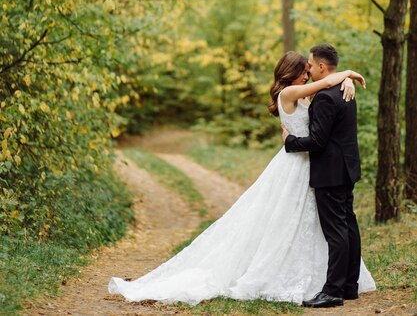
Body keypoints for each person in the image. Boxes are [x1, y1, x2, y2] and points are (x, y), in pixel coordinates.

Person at [108, 50, 376, 306]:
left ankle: (334, 283)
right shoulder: (290, 92)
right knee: (295, 222)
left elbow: (327, 85)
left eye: (309, 70)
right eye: (303, 71)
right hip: (298, 163)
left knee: (317, 224)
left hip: (311, 165)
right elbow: (328, 81)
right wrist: (347, 74)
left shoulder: (309, 93)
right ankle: (321, 282)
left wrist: (347, 78)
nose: (307, 75)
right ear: (292, 73)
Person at [283, 43, 371, 308]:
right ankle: (349, 286)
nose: (308, 69)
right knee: (349, 226)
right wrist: (347, 76)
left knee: (336, 231)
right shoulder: (345, 90)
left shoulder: (324, 96)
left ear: (322, 66)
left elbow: (318, 141)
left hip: (330, 172)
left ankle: (332, 290)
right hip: (347, 167)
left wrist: (291, 142)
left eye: (310, 64)